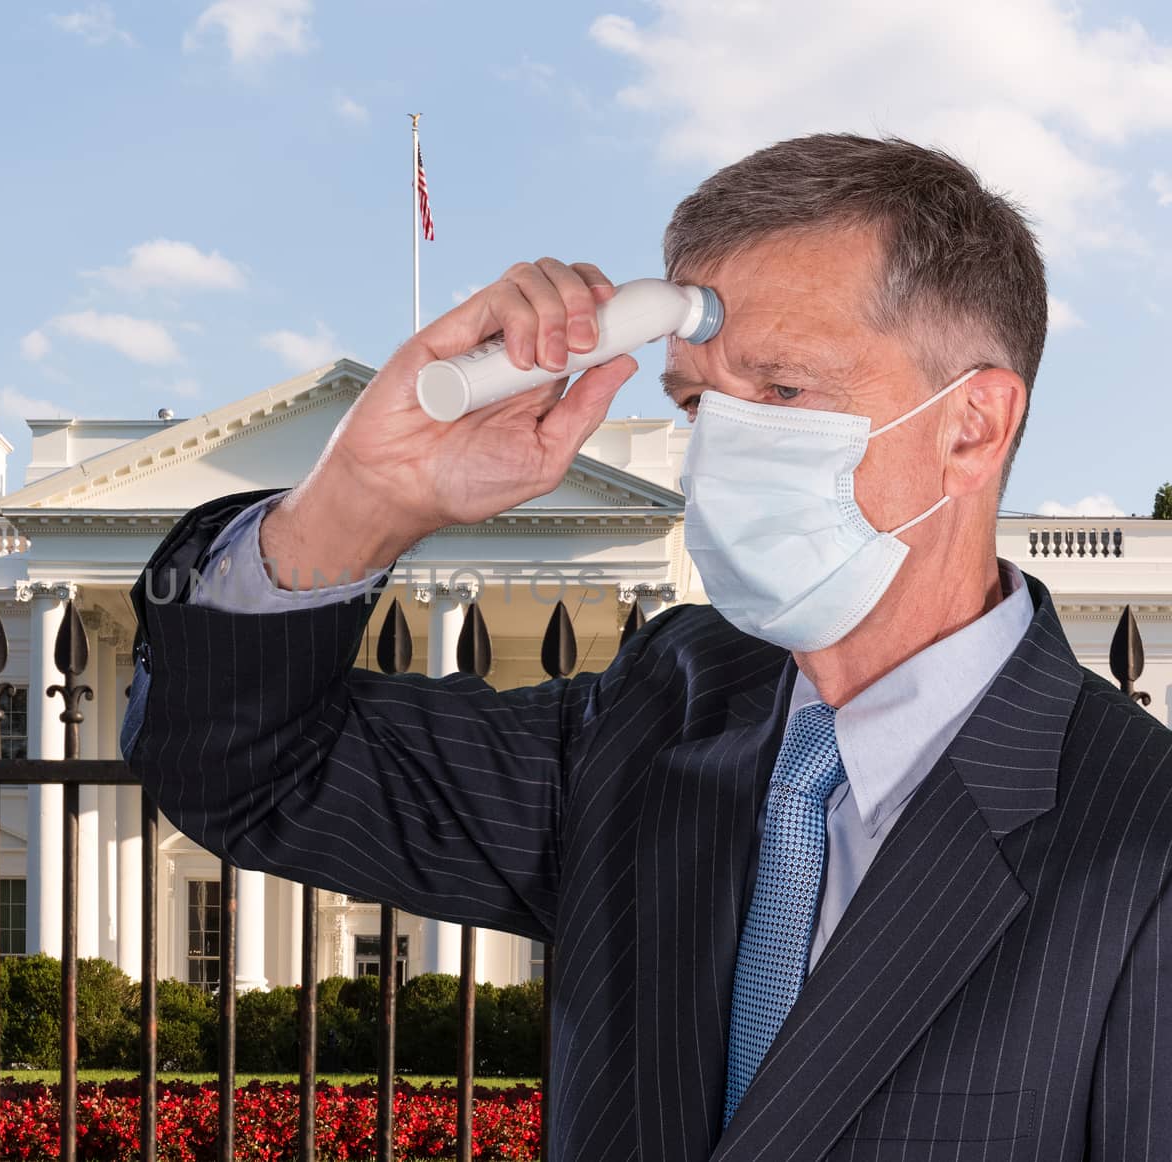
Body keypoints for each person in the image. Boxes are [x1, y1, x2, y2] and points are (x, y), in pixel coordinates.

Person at [120, 134, 1172, 1160]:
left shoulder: (1144, 844)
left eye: (782, 390)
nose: (720, 448)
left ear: (971, 427)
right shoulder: (650, 720)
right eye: (695, 402)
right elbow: (243, 773)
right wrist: (364, 497)